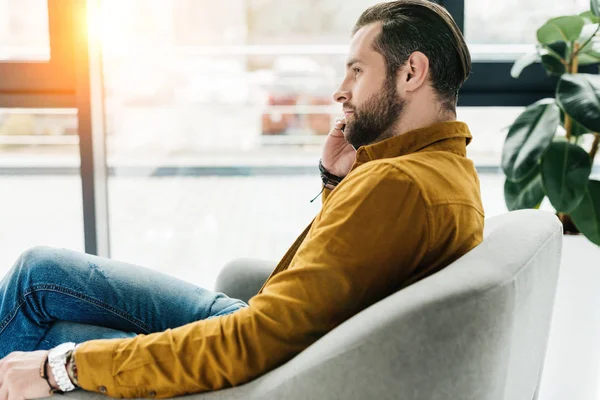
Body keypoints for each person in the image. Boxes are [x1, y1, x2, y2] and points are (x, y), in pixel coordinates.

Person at [0, 1, 484, 398]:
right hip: (282, 338)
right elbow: (340, 282)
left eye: (357, 70)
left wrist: (63, 367)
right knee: (38, 273)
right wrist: (336, 181)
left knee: (42, 339)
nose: (341, 91)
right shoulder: (444, 168)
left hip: (263, 364)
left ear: (411, 72)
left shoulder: (397, 185)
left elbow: (250, 344)